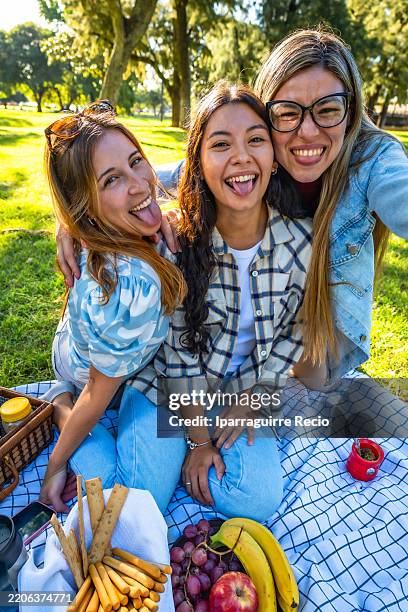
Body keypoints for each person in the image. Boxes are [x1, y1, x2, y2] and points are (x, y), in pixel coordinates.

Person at [118, 82, 313, 518]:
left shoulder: (301, 242)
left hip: (237, 387)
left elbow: (294, 334)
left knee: (256, 500)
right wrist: (199, 441)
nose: (241, 157)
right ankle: (72, 418)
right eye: (221, 144)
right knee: (144, 495)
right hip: (166, 388)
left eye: (256, 140)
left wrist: (256, 396)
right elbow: (176, 351)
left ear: (273, 157)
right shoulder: (178, 242)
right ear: (199, 163)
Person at [39, 101, 186, 511]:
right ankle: (57, 404)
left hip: (118, 351)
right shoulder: (129, 287)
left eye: (137, 160)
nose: (141, 184)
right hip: (83, 371)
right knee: (128, 498)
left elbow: (198, 168)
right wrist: (55, 465)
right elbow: (96, 396)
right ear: (86, 211)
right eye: (111, 180)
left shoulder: (138, 219)